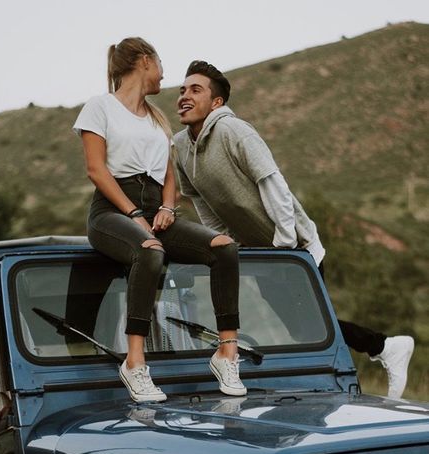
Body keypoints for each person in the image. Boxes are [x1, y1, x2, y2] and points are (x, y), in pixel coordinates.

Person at [173, 60, 414, 399]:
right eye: (182, 89)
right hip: (263, 251)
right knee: (304, 330)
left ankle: (383, 350)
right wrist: (220, 240)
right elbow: (202, 201)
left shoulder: (234, 131)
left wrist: (285, 246)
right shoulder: (181, 146)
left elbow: (273, 184)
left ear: (217, 103)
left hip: (295, 246)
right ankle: (384, 347)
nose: (184, 96)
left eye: (195, 90)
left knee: (312, 330)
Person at [73, 40, 246, 403]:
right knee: (150, 252)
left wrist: (167, 207)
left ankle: (227, 353)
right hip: (111, 211)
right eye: (161, 65)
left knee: (224, 247)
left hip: (157, 213)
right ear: (145, 62)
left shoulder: (157, 117)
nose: (165, 75)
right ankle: (135, 362)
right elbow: (96, 169)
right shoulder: (99, 107)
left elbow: (169, 176)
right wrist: (134, 214)